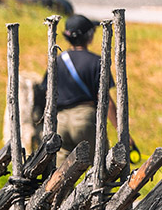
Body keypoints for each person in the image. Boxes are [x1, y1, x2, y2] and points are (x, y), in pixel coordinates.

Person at [43, 14, 129, 165]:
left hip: (60, 121)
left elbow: (46, 92)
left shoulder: (57, 61)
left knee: (61, 173)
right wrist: (121, 132)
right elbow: (105, 100)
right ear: (89, 36)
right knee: (101, 166)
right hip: (85, 119)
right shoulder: (96, 61)